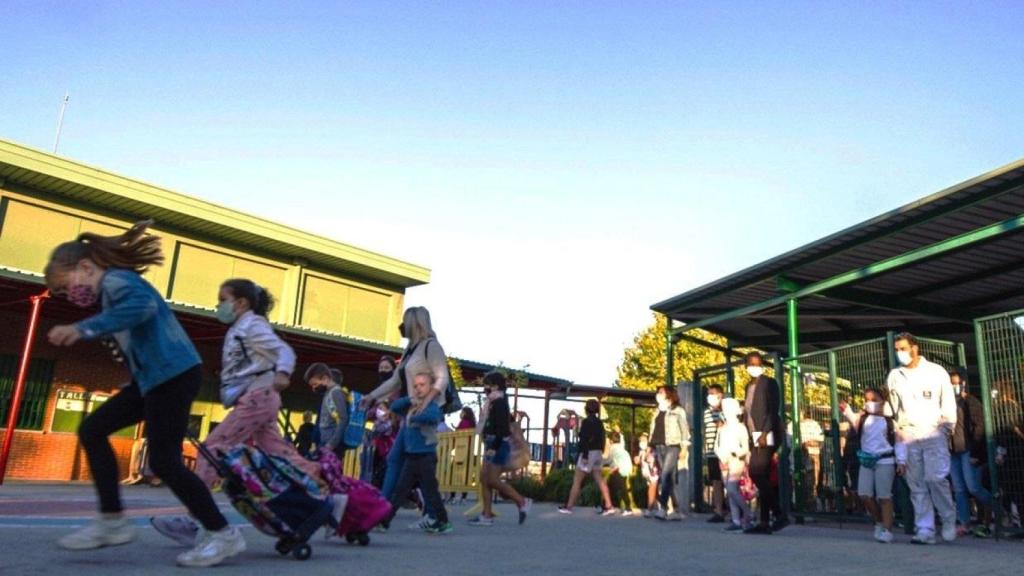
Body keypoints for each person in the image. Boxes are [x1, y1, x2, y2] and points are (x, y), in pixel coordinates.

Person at [44, 221, 243, 567]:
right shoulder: (110, 291)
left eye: (66, 287)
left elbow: (142, 309)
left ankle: (222, 533)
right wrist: (134, 382)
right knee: (92, 430)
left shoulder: (117, 281)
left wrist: (82, 328)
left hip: (174, 375)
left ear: (86, 267)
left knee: (165, 461)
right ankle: (112, 521)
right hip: (152, 380)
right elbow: (141, 338)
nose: (69, 296)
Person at [152, 279, 329, 551]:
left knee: (212, 448)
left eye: (223, 299)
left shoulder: (251, 325)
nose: (218, 305)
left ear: (241, 302)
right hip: (261, 398)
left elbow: (283, 350)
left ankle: (195, 519)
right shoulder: (242, 327)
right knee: (280, 453)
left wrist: (282, 372)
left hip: (257, 399)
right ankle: (327, 491)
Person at [360, 306, 451, 529]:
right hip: (410, 416)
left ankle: (387, 514)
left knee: (414, 468)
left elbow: (442, 378)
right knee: (400, 464)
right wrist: (372, 396)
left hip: (423, 416)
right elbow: (395, 381)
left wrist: (426, 402)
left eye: (405, 321)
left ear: (414, 322)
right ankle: (389, 513)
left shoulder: (431, 347)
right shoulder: (411, 350)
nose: (402, 326)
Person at [886, 332, 958, 545]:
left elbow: (948, 402)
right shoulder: (894, 376)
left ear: (914, 348)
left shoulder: (936, 372)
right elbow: (894, 409)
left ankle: (948, 519)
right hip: (909, 435)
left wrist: (946, 428)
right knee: (916, 484)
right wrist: (898, 433)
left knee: (936, 479)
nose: (900, 353)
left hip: (934, 432)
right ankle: (924, 528)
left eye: (903, 348)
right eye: (897, 350)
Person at [382, 372, 452, 534]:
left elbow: (433, 417)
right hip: (411, 456)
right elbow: (394, 406)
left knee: (430, 490)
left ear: (430, 387)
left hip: (425, 455)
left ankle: (442, 521)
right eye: (415, 386)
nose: (418, 388)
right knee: (400, 489)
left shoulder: (431, 405)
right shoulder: (411, 405)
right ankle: (385, 521)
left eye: (422, 385)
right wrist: (409, 399)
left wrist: (416, 416)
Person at [469, 372, 532, 526]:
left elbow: (502, 429)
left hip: (497, 444)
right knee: (485, 479)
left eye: (487, 384)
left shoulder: (499, 403)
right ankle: (487, 514)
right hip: (492, 443)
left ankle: (521, 501)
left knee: (491, 479)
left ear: (496, 386)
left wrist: (494, 447)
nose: (485, 387)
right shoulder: (493, 402)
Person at [841, 389, 899, 544]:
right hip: (867, 460)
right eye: (867, 400)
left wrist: (901, 460)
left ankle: (887, 529)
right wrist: (845, 408)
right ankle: (879, 520)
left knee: (884, 496)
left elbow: (900, 442)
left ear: (882, 400)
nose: (870, 403)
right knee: (864, 494)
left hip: (885, 460)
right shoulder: (862, 419)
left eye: (874, 399)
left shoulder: (890, 421)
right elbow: (850, 415)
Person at [742, 352, 786, 534]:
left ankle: (779, 513)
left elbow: (773, 410)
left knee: (756, 472)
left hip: (765, 434)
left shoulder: (769, 383)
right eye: (751, 363)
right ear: (746, 366)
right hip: (754, 435)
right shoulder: (748, 386)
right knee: (763, 477)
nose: (755, 366)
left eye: (758, 363)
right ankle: (764, 522)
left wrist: (765, 431)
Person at [948, 369, 994, 537]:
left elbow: (979, 426)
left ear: (964, 383)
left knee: (973, 487)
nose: (954, 386)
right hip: (953, 450)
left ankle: (995, 508)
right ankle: (964, 523)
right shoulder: (947, 403)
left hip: (968, 449)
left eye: (957, 383)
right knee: (959, 489)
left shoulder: (971, 401)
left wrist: (976, 450)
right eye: (951, 383)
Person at [558, 399, 615, 515]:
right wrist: (601, 451)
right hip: (598, 452)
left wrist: (584, 455)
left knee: (577, 480)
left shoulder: (586, 422)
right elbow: (603, 438)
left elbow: (584, 440)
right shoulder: (599, 423)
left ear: (587, 409)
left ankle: (569, 506)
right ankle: (609, 505)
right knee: (599, 480)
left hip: (588, 453)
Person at [649, 385, 689, 521]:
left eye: (661, 392)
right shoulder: (656, 411)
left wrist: (684, 447)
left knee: (665, 475)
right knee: (669, 478)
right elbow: (653, 430)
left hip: (673, 445)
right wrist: (650, 445)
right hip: (659, 445)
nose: (658, 394)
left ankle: (663, 508)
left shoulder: (678, 410)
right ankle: (677, 509)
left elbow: (684, 430)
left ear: (669, 394)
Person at [714, 398, 753, 532]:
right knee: (730, 492)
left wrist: (735, 453)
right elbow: (716, 446)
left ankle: (748, 513)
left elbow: (745, 447)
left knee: (732, 489)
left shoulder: (741, 427)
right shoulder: (722, 428)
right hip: (724, 460)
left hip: (736, 460)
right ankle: (736, 520)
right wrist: (721, 456)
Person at [305, 363, 350, 461]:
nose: (314, 389)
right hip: (325, 442)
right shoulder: (328, 393)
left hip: (332, 445)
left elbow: (343, 419)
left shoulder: (336, 393)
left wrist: (332, 444)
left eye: (315, 384)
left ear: (325, 379)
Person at [703, 385, 727, 523]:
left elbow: (723, 425)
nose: (710, 396)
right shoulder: (707, 412)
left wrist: (720, 411)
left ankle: (734, 508)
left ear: (720, 395)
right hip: (712, 450)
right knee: (716, 481)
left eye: (712, 393)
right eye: (708, 394)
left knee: (729, 481)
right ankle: (719, 510)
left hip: (724, 450)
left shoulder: (726, 409)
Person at [447, 406, 477, 504]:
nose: (461, 414)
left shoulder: (464, 422)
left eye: (462, 412)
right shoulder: (472, 424)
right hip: (469, 450)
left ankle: (453, 496)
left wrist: (455, 430)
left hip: (461, 450)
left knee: (453, 473)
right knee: (466, 474)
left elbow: (458, 434)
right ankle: (463, 497)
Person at [607, 431, 637, 515]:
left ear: (611, 441)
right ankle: (607, 506)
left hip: (619, 469)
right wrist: (620, 434)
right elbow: (622, 439)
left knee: (621, 488)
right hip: (626, 468)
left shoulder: (613, 448)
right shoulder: (620, 446)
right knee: (611, 486)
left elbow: (611, 460)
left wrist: (601, 463)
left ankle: (627, 508)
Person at [637, 433, 661, 517]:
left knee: (651, 490)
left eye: (643, 440)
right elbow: (640, 462)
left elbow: (654, 461)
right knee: (656, 493)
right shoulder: (641, 452)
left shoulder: (652, 451)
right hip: (647, 475)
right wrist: (638, 460)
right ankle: (664, 507)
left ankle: (649, 509)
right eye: (640, 440)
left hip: (653, 473)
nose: (641, 442)